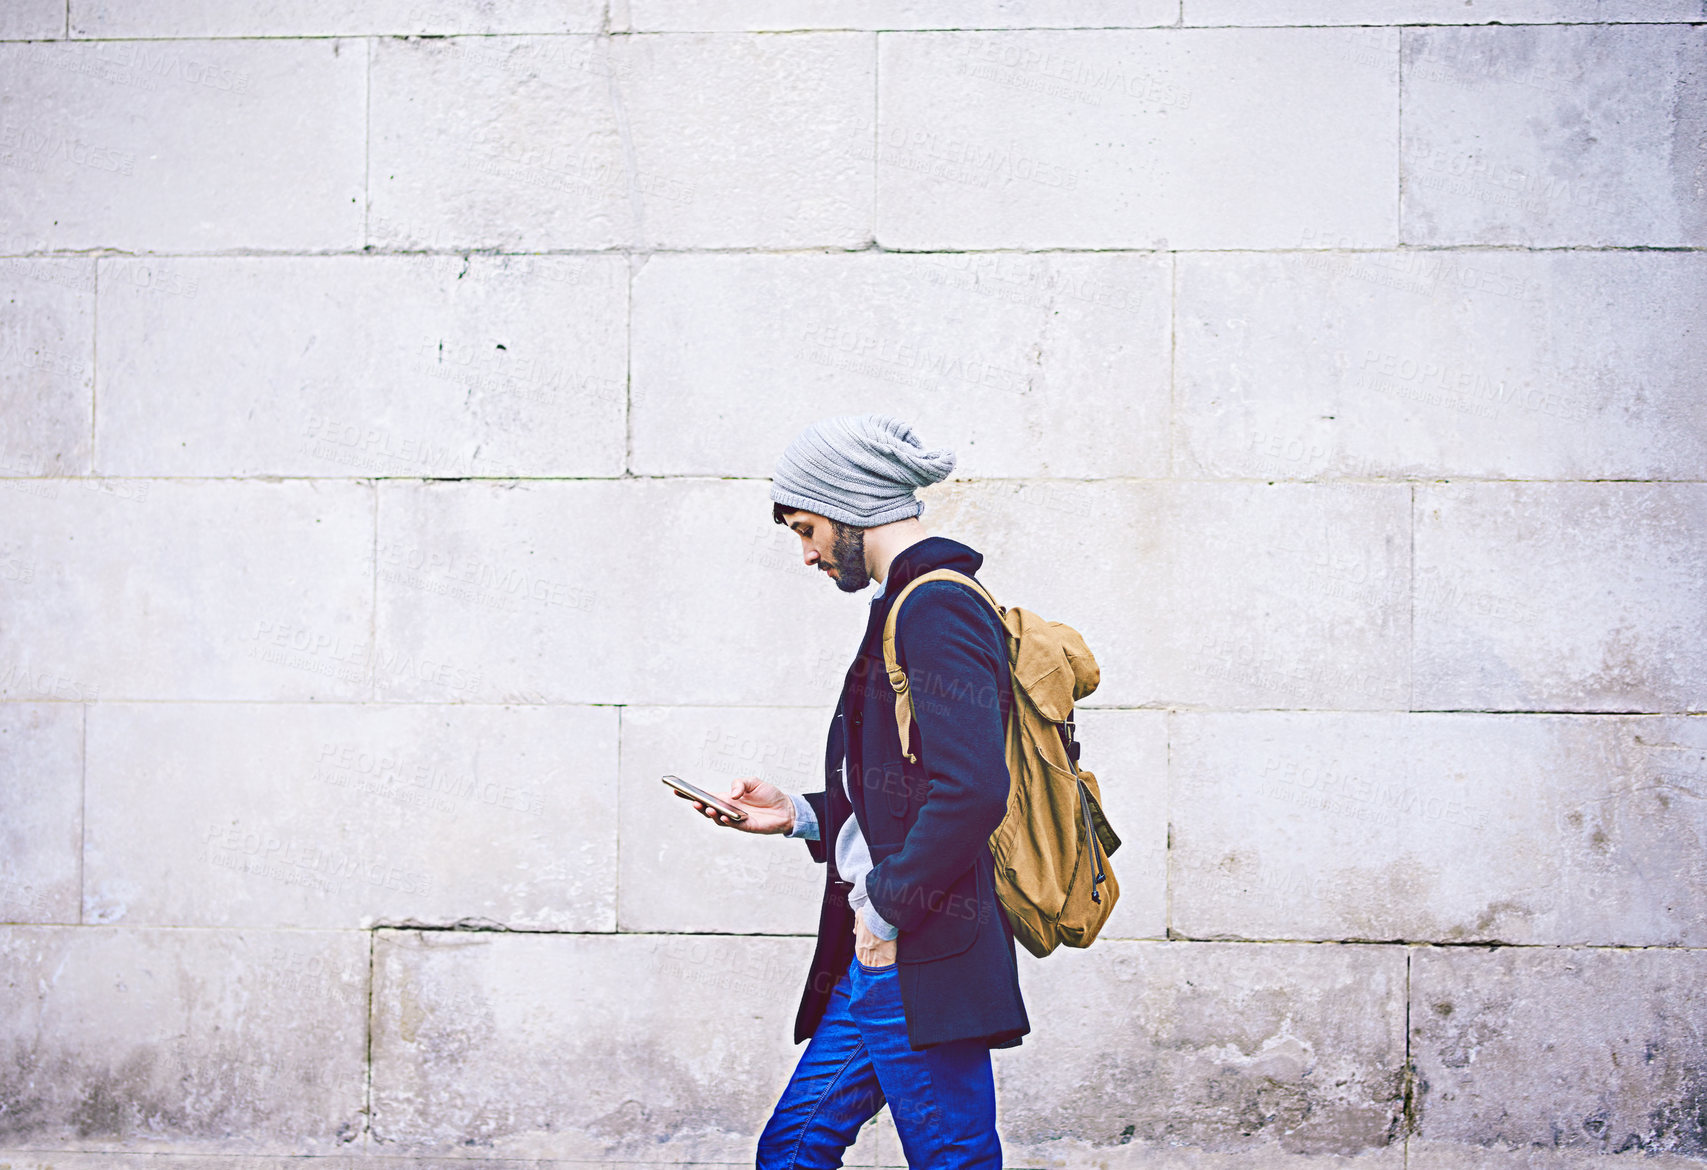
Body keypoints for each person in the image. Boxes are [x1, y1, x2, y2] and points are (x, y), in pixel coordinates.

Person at [677, 413, 1027, 1169]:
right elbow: (909, 787)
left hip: (912, 944)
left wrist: (885, 911)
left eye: (806, 529)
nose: (805, 553)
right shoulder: (906, 603)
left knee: (951, 1160)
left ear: (848, 507)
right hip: (888, 945)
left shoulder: (936, 606)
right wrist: (800, 815)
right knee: (793, 1148)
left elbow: (972, 791)